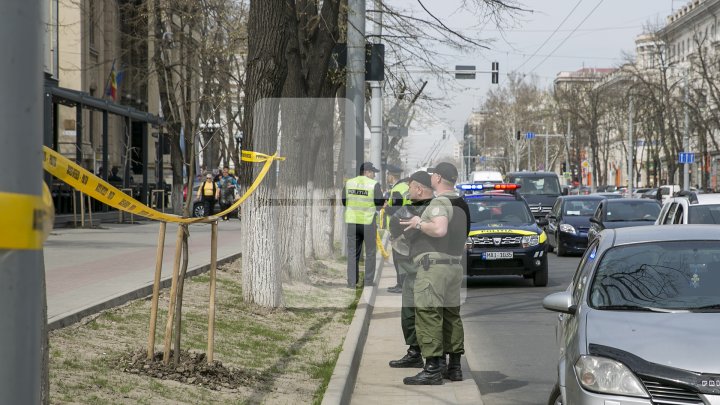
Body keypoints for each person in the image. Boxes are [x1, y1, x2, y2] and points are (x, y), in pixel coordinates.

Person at [399, 162, 470, 385]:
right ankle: (454, 367)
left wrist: (419, 223)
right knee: (451, 316)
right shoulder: (462, 203)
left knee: (429, 315)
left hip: (434, 267)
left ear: (438, 178)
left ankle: (432, 369)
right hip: (454, 266)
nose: (431, 178)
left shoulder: (440, 201)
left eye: (432, 175)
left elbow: (439, 229)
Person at [387, 170, 434, 369]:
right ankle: (414, 353)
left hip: (429, 271)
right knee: (408, 314)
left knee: (429, 316)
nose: (407, 190)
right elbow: (395, 229)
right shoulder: (408, 209)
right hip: (411, 271)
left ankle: (436, 360)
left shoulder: (436, 209)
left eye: (410, 186)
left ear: (419, 188)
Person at [342, 162, 385, 288]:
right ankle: (368, 282)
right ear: (367, 172)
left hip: (352, 223)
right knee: (370, 252)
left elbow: (344, 202)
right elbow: (379, 205)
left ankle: (351, 282)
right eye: (373, 173)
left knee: (352, 252)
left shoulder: (349, 183)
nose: (374, 176)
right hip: (368, 222)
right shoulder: (373, 185)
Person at [384, 164, 411, 293]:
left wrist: (386, 207)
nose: (387, 177)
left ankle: (401, 285)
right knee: (404, 257)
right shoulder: (405, 187)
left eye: (388, 175)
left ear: (391, 176)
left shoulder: (396, 190)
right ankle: (403, 283)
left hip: (398, 228)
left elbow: (395, 209)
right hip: (406, 225)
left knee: (398, 258)